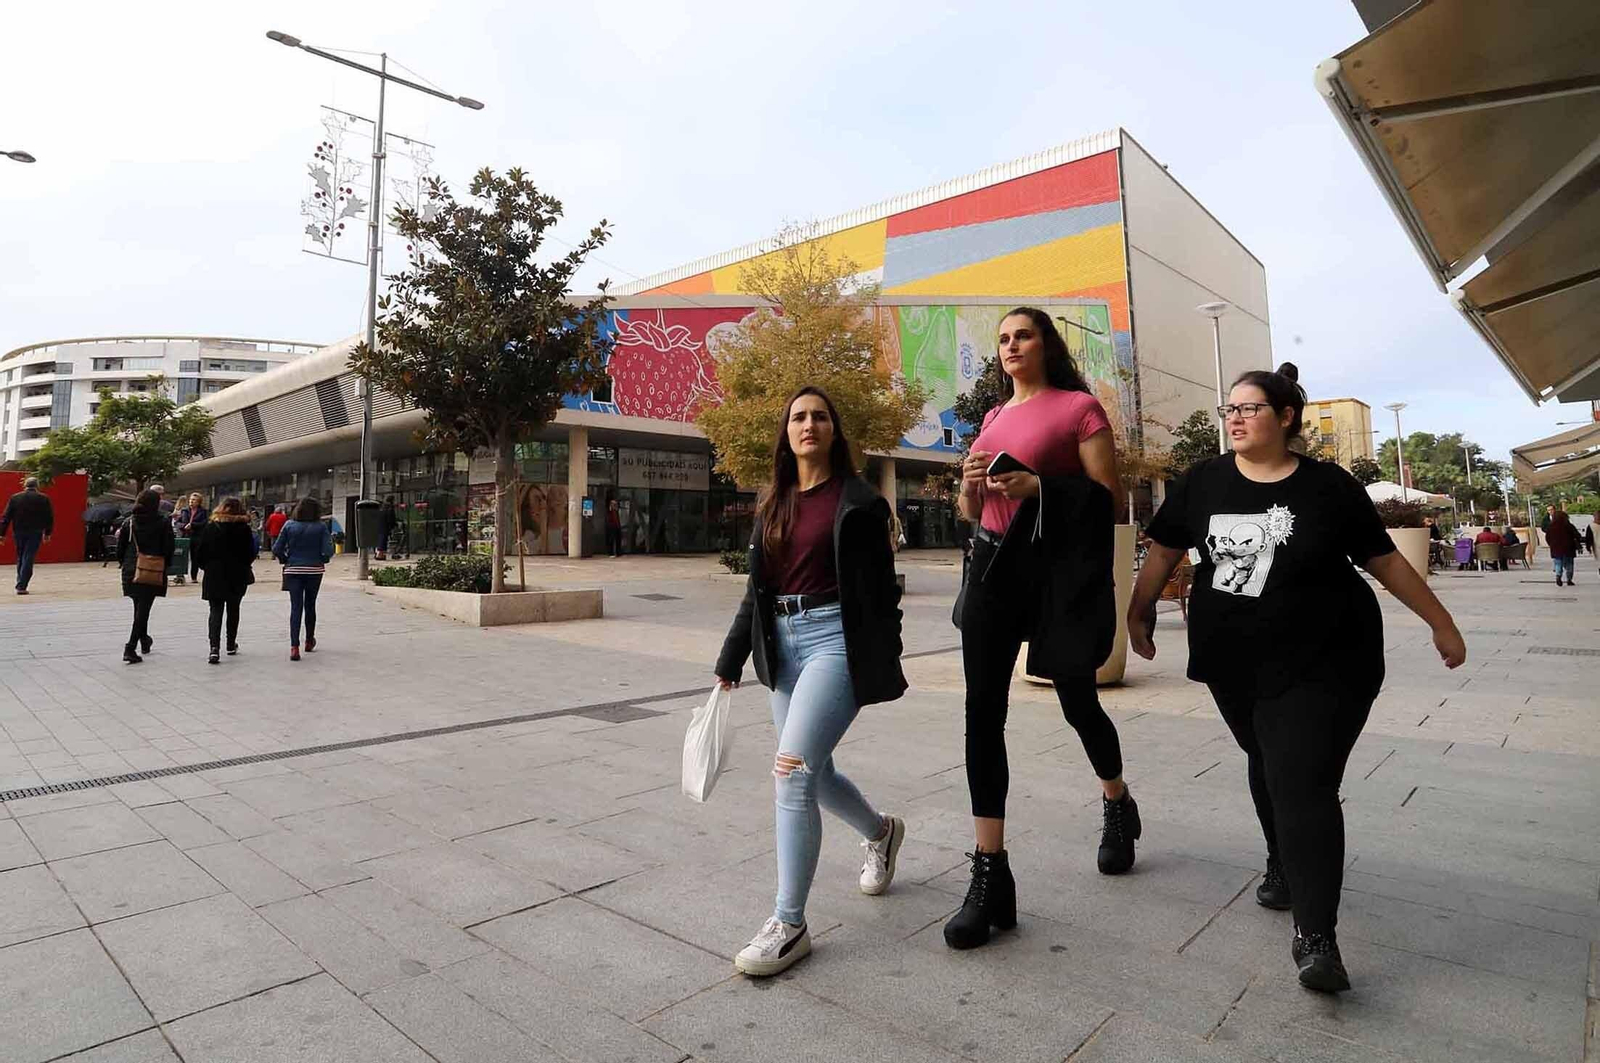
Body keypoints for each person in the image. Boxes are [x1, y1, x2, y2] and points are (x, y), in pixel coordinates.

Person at [1128, 363, 1466, 994]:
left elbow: (1384, 559)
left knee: (1301, 780)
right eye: (1229, 408)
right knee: (1265, 759)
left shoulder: (1328, 487)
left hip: (1327, 658)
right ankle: (1282, 859)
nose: (1234, 418)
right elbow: (1166, 549)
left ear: (1285, 418)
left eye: (1249, 408)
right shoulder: (1203, 481)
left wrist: (1441, 623)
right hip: (1232, 659)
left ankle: (1317, 938)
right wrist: (1138, 608)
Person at [947, 307, 1129, 951]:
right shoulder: (992, 418)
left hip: (1056, 579)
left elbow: (1110, 498)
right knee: (980, 716)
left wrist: (1039, 488)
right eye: (1002, 339)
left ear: (1046, 343)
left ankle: (1115, 799)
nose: (1010, 346)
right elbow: (975, 510)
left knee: (1079, 701)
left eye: (1021, 335)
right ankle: (990, 873)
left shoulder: (1080, 407)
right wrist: (971, 489)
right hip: (994, 571)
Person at [714, 386, 908, 977]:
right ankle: (881, 832)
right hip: (782, 644)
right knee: (815, 772)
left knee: (792, 774)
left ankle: (789, 922)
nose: (808, 424)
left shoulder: (860, 502)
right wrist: (731, 658)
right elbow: (758, 589)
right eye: (798, 417)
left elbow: (883, 593)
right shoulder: (774, 501)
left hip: (834, 643)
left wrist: (879, 656)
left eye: (820, 415)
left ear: (833, 430)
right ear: (787, 431)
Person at [192, 496, 257, 664]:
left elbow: (200, 553)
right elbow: (251, 552)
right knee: (234, 609)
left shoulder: (211, 527)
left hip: (214, 574)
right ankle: (230, 643)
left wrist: (206, 567)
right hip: (238, 573)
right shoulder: (244, 529)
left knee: (215, 610)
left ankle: (214, 648)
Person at [116, 489, 175, 664]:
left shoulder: (130, 522)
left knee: (139, 606)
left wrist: (124, 563)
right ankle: (131, 646)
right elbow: (168, 546)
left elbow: (120, 548)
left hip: (131, 568)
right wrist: (166, 564)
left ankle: (144, 639)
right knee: (144, 608)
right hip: (152, 568)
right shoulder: (163, 521)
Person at [272, 496, 334, 661]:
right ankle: (309, 640)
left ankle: (294, 647)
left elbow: (276, 548)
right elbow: (328, 550)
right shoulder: (321, 527)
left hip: (293, 570)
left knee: (295, 607)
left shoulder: (289, 525)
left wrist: (285, 559)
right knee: (310, 605)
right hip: (314, 570)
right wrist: (323, 559)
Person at [0, 477, 53, 595]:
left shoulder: (15, 498)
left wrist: (2, 534)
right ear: (37, 485)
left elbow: (6, 517)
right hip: (35, 531)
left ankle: (20, 582)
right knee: (29, 556)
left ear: (25, 485)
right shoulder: (43, 499)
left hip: (18, 531)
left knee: (20, 556)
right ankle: (22, 585)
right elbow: (49, 517)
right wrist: (47, 533)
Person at [1545, 509, 1578, 586]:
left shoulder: (1550, 527)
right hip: (1568, 548)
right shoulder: (1569, 526)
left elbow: (1547, 538)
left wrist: (1552, 545)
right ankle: (1569, 580)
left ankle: (1558, 576)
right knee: (1569, 564)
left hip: (1556, 549)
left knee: (1558, 563)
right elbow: (1576, 535)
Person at [376, 495, 398, 560]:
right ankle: (380, 555)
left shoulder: (382, 507)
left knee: (382, 539)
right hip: (385, 526)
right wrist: (393, 525)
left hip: (380, 525)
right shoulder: (390, 508)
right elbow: (391, 518)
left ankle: (380, 554)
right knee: (383, 540)